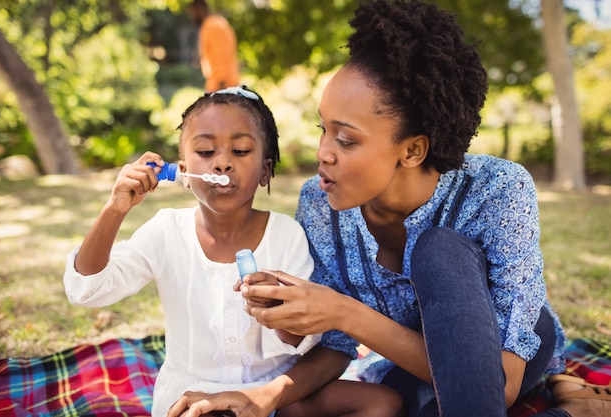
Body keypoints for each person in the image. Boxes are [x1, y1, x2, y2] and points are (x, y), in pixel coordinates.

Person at [167, 1, 611, 417]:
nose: (323, 152)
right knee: (387, 404)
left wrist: (343, 311)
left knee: (438, 249)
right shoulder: (321, 204)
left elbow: (499, 383)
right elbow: (337, 345)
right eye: (324, 130)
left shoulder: (497, 191)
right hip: (415, 368)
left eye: (345, 139)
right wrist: (258, 397)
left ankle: (563, 392)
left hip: (506, 357)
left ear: (413, 150)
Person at [63, 86, 402, 417]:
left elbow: (303, 339)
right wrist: (114, 209)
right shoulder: (166, 231)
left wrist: (276, 311)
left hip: (276, 393)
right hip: (195, 396)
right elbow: (87, 289)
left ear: (265, 170)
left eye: (240, 151)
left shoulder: (287, 234)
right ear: (183, 170)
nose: (222, 163)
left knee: (383, 403)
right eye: (206, 153)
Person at [188, 0, 240, 92]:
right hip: (227, 81)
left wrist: (221, 82)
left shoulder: (211, 26)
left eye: (192, 12)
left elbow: (221, 53)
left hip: (220, 84)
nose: (191, 16)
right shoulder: (219, 22)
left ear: (199, 9)